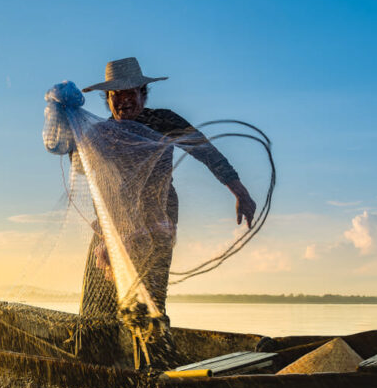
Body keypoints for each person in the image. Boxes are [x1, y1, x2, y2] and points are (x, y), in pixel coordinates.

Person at [76, 57, 256, 324]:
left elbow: (205, 150)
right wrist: (69, 133)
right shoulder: (101, 133)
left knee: (151, 304)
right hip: (112, 225)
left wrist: (239, 192)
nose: (124, 100)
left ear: (143, 94)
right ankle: (97, 356)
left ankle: (155, 354)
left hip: (156, 220)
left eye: (131, 93)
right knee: (97, 305)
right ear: (107, 98)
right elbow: (81, 170)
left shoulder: (163, 120)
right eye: (116, 95)